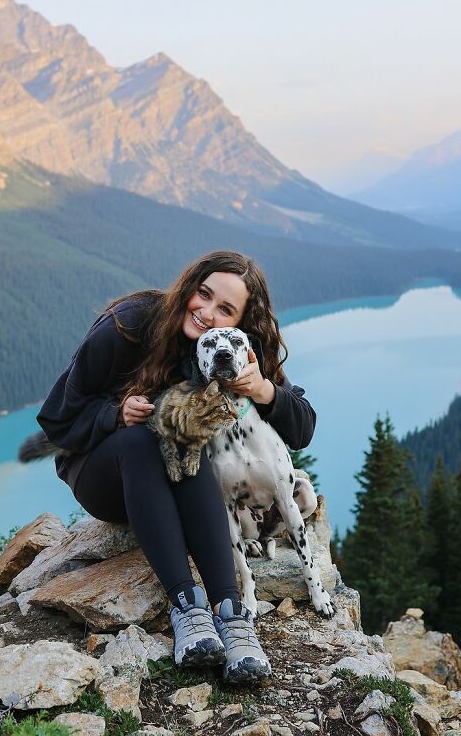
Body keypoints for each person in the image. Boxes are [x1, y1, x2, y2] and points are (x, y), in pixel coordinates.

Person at [37, 249, 316, 683]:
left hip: (177, 479)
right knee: (145, 434)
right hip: (103, 472)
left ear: (240, 323)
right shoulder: (129, 324)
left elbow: (303, 426)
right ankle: (187, 607)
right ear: (188, 287)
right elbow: (56, 419)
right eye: (202, 294)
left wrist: (264, 390)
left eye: (225, 309)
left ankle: (231, 616)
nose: (206, 313)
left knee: (189, 437)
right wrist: (113, 414)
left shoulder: (233, 353)